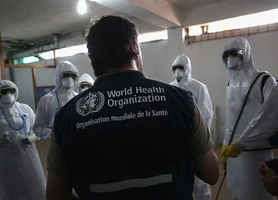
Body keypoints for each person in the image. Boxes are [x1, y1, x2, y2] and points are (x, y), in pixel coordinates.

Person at [46, 15, 219, 200]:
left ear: (93, 58)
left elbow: (55, 195)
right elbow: (211, 173)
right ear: (134, 48)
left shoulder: (67, 117)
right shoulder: (181, 102)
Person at [220, 37, 278, 200]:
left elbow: (270, 117)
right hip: (234, 156)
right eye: (226, 55)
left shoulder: (264, 81)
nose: (230, 59)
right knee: (237, 191)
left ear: (245, 53)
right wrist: (226, 146)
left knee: (256, 192)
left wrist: (242, 143)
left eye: (234, 54)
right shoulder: (230, 85)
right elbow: (231, 121)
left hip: (255, 155)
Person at [0, 80, 46, 200]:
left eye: (11, 91)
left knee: (36, 189)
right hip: (4, 161)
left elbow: (37, 129)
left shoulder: (25, 109)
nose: (8, 94)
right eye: (4, 91)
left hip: (29, 157)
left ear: (16, 92)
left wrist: (32, 137)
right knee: (9, 191)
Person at [170, 54, 213, 200]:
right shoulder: (170, 88)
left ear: (187, 69)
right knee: (180, 183)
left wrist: (200, 141)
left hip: (197, 144)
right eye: (175, 68)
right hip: (177, 145)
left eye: (180, 68)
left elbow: (206, 115)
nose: (177, 71)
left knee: (201, 185)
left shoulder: (199, 87)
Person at [33, 61, 79, 140]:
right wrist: (56, 134)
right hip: (55, 145)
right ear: (58, 76)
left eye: (73, 76)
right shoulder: (46, 100)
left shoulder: (78, 98)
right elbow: (38, 129)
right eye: (66, 75)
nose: (70, 79)